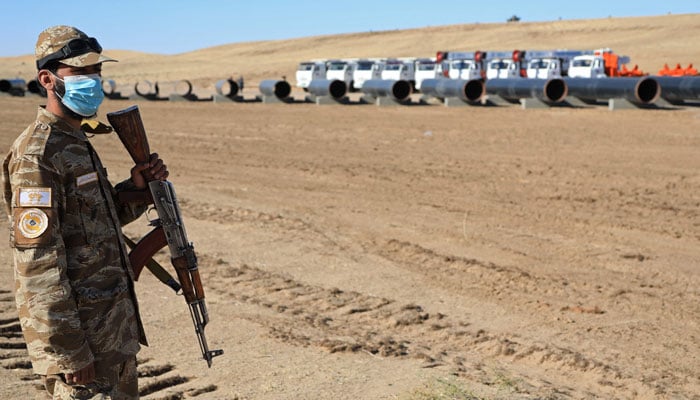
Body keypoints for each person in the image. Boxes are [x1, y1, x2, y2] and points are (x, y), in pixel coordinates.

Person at [2, 25, 168, 399]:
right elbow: (37, 264)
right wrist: (70, 353)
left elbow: (91, 222)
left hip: (110, 332)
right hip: (83, 347)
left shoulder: (74, 141)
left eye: (97, 73)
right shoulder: (38, 155)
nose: (93, 82)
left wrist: (134, 192)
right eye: (81, 73)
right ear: (48, 79)